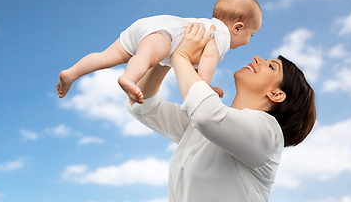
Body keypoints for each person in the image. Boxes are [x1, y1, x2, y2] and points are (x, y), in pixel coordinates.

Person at [126, 23, 316, 202]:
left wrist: (182, 55)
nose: (257, 58)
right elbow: (144, 106)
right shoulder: (208, 126)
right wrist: (169, 50)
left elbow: (206, 115)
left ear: (276, 94)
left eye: (271, 66)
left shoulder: (268, 135)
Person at [56, 0, 262, 103]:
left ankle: (71, 73)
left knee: (106, 57)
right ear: (237, 27)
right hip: (164, 35)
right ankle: (129, 77)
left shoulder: (206, 25)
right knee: (146, 57)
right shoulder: (222, 35)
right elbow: (208, 60)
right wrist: (204, 87)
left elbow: (190, 66)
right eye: (251, 35)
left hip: (148, 25)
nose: (248, 41)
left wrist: (205, 83)